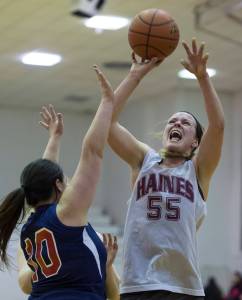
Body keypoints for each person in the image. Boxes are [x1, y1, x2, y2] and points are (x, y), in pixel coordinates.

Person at [108, 38, 225, 300]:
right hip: (139, 283)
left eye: (185, 123)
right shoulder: (143, 161)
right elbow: (107, 123)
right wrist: (135, 76)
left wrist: (203, 77)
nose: (177, 123)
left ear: (195, 142)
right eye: (173, 121)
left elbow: (217, 126)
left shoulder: (198, 171)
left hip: (183, 286)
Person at [0, 65, 119, 300]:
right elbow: (92, 152)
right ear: (58, 186)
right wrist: (107, 102)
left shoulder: (30, 228)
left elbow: (45, 176)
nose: (70, 182)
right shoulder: (67, 213)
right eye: (66, 179)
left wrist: (55, 139)